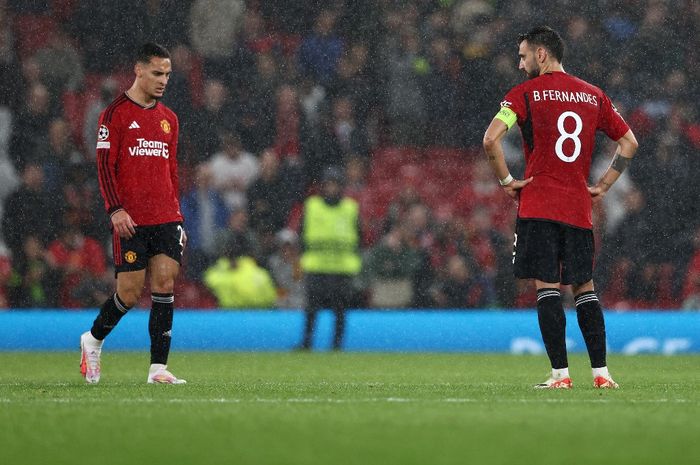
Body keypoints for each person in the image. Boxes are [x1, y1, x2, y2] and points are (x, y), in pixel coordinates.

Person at [482, 26, 638, 389]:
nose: (520, 65)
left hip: (538, 206)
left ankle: (561, 376)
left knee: (547, 287)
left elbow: (491, 139)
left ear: (541, 54)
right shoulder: (593, 95)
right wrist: (602, 185)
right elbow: (629, 142)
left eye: (523, 56)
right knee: (585, 288)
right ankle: (601, 374)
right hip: (578, 208)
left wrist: (506, 182)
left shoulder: (522, 95)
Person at [79, 43, 187, 385]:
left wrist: (178, 215)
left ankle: (158, 368)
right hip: (131, 220)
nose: (163, 80)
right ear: (138, 70)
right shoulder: (115, 115)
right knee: (128, 292)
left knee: (165, 283)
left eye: (168, 74)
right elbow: (104, 167)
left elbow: (171, 171)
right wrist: (115, 210)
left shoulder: (169, 119)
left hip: (166, 217)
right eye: (157, 73)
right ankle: (93, 340)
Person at [298, 166, 361, 350]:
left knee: (340, 310)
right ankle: (307, 342)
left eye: (335, 185)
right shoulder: (312, 206)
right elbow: (302, 234)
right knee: (311, 309)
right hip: (317, 267)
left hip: (341, 268)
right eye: (328, 185)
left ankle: (337, 345)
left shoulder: (350, 208)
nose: (332, 189)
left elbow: (359, 238)